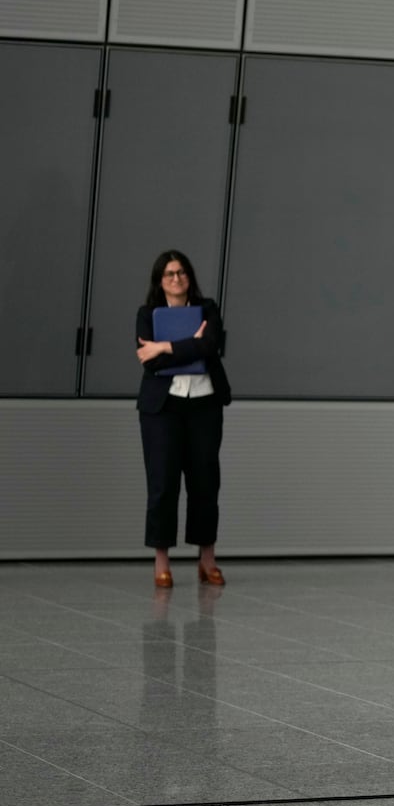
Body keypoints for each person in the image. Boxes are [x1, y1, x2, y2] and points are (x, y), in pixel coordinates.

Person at [136, 250, 231, 588]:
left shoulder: (208, 309)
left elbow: (210, 346)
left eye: (181, 272)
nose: (176, 279)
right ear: (159, 280)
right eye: (169, 274)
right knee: (162, 483)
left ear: (189, 276)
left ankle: (207, 560)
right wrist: (186, 345)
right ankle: (162, 563)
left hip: (204, 405)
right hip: (163, 409)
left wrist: (164, 347)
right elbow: (150, 363)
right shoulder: (148, 315)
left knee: (205, 481)